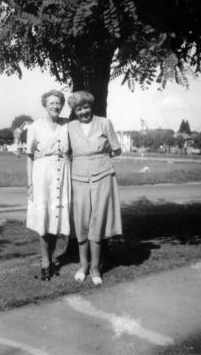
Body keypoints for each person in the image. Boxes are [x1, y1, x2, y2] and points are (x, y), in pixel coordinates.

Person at [68, 91, 122, 285]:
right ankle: (83, 265)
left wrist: (100, 158)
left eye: (86, 107)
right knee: (81, 221)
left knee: (97, 221)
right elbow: (64, 151)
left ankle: (95, 267)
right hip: (78, 177)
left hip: (102, 176)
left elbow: (116, 149)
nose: (83, 112)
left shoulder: (104, 123)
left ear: (92, 107)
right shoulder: (70, 127)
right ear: (74, 111)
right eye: (78, 108)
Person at [26, 90, 71, 281]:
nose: (55, 106)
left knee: (57, 217)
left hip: (63, 172)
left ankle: (52, 258)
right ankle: (45, 262)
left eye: (58, 103)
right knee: (44, 217)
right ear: (45, 105)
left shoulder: (68, 124)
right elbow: (29, 156)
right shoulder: (35, 126)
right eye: (51, 103)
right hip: (42, 173)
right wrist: (30, 183)